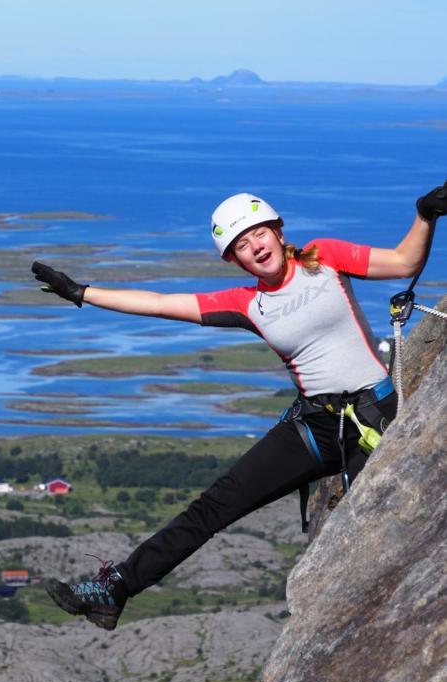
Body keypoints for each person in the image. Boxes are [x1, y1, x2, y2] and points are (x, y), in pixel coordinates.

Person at [30, 183, 446, 631]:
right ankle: (116, 589)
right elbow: (160, 303)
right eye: (241, 246)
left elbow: (404, 262)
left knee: (384, 541)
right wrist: (82, 293)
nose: (254, 247)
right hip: (315, 426)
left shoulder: (324, 257)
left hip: (373, 417)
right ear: (235, 260)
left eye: (258, 234)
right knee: (213, 507)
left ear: (277, 230)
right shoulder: (248, 304)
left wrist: (424, 215)